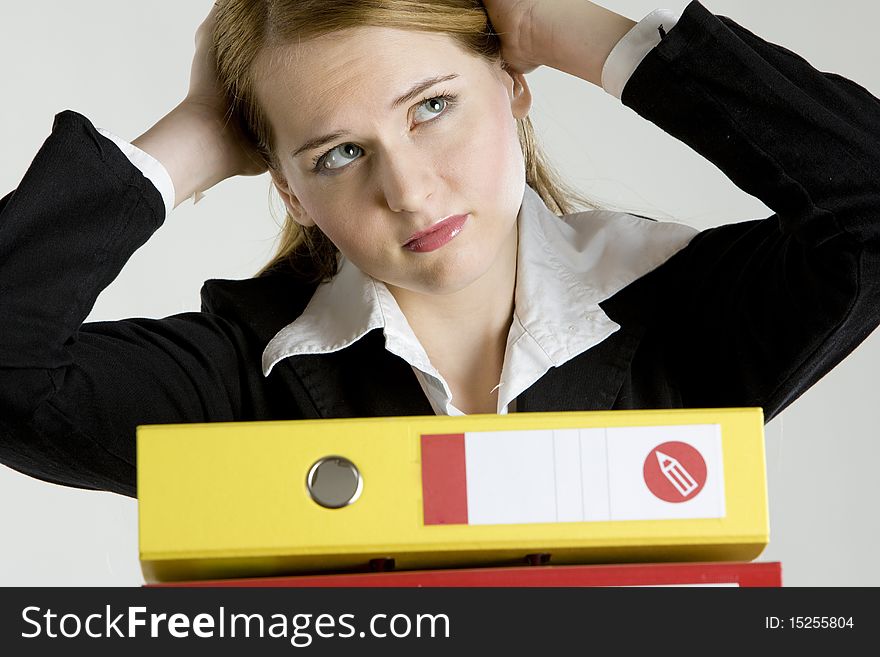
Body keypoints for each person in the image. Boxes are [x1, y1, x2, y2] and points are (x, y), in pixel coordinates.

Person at [1, 0, 879, 501]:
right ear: (289, 191)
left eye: (431, 107)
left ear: (513, 87)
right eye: (338, 154)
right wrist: (191, 138)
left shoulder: (679, 309)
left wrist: (578, 31)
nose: (411, 191)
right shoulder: (244, 376)